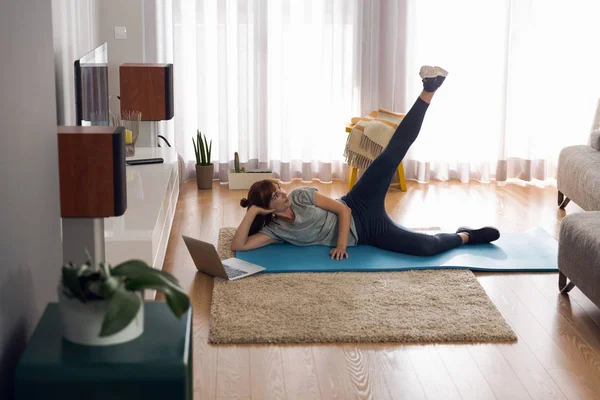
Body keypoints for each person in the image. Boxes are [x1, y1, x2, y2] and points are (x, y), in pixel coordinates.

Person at [231, 66, 500, 260]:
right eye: (277, 195)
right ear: (269, 208)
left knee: (391, 154)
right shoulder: (277, 230)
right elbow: (239, 246)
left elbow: (343, 212)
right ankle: (466, 236)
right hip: (371, 232)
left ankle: (429, 89)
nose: (283, 192)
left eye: (279, 188)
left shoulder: (301, 196)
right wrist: (253, 212)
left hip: (358, 203)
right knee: (426, 249)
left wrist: (340, 246)